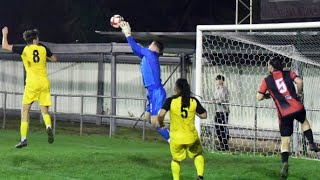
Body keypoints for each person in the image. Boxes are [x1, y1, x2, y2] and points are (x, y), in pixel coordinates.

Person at [256, 57, 320, 178]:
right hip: (297, 107)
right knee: (304, 122)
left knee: (285, 140)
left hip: (284, 113)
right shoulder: (288, 73)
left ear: (271, 67)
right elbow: (300, 82)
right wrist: (299, 94)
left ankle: (285, 162)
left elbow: (259, 97)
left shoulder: (266, 80)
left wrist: (269, 96)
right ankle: (311, 143)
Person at [2, 27, 57, 148]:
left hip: (32, 84)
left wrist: (4, 34)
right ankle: (48, 126)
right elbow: (54, 59)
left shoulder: (24, 49)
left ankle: (23, 139)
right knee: (44, 110)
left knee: (25, 111)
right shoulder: (43, 48)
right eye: (38, 38)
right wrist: (44, 52)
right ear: (35, 39)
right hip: (44, 83)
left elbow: (5, 46)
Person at [120, 21, 170, 143]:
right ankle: (170, 132)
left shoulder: (151, 54)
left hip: (156, 92)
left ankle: (173, 140)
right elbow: (135, 49)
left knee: (155, 122)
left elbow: (136, 47)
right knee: (147, 118)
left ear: (155, 48)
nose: (148, 46)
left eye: (150, 45)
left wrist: (128, 34)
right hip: (152, 92)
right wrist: (128, 36)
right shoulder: (147, 56)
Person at [158, 78, 207, 180]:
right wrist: (194, 112)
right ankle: (200, 176)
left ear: (177, 88)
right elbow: (204, 115)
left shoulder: (170, 101)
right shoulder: (193, 101)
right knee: (198, 154)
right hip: (191, 137)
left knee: (176, 160)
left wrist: (161, 124)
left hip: (176, 138)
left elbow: (161, 114)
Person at [213, 75, 230, 151]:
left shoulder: (224, 89)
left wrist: (216, 100)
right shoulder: (216, 89)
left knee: (223, 128)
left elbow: (222, 99)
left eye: (218, 80)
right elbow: (213, 98)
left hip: (224, 111)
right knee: (217, 127)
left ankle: (225, 145)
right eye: (216, 80)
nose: (216, 81)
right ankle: (221, 143)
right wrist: (214, 100)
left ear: (222, 81)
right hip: (217, 111)